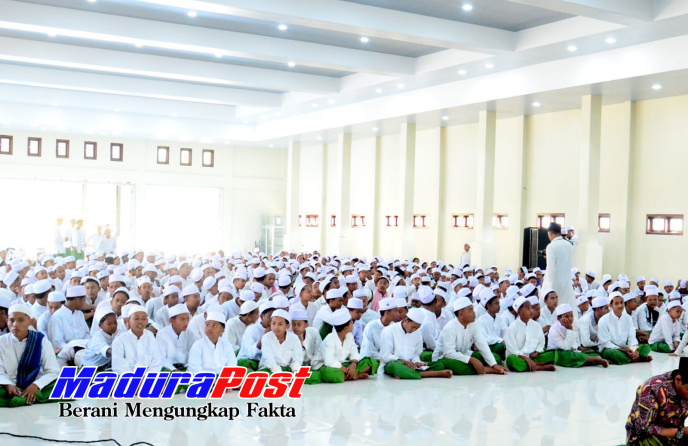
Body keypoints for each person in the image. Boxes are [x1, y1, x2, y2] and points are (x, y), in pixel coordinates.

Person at [0, 304, 61, 407]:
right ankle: (25, 396)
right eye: (11, 320)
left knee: (64, 386)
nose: (15, 324)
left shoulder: (42, 341)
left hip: (38, 384)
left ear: (29, 322)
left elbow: (53, 371)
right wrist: (8, 386)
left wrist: (36, 385)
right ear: (7, 322)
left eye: (21, 320)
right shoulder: (1, 342)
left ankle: (31, 394)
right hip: (8, 386)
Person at [433, 297, 507, 375]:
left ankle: (485, 367)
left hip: (464, 353)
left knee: (495, 358)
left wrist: (494, 364)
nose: (474, 313)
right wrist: (471, 360)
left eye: (473, 309)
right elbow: (449, 353)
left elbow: (482, 344)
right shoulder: (450, 327)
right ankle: (487, 369)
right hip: (443, 357)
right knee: (459, 367)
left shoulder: (473, 324)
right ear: (461, 314)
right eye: (470, 310)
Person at [625, 357, 688, 445]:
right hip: (647, 438)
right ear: (678, 380)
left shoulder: (684, 390)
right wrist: (680, 432)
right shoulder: (652, 388)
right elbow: (642, 429)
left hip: (676, 435)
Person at [379, 307, 452, 379]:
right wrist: (403, 361)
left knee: (439, 365)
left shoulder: (418, 333)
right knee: (397, 367)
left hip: (411, 365)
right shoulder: (388, 330)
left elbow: (416, 354)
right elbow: (385, 355)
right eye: (413, 327)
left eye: (417, 328)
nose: (414, 330)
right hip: (393, 363)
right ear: (406, 320)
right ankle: (429, 374)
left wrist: (417, 362)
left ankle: (408, 373)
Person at [314, 308, 377, 383]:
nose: (353, 324)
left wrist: (353, 364)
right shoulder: (329, 339)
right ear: (346, 328)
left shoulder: (349, 336)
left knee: (371, 361)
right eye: (351, 323)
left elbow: (354, 353)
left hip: (343, 363)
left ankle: (348, 376)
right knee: (330, 374)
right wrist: (347, 370)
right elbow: (329, 362)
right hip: (325, 365)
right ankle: (356, 376)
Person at [597, 291, 652, 365]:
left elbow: (632, 337)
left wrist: (634, 349)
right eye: (616, 303)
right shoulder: (604, 320)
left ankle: (629, 358)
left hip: (625, 346)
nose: (620, 305)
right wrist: (623, 350)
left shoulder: (628, 318)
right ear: (610, 305)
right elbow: (606, 343)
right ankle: (636, 359)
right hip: (610, 348)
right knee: (614, 354)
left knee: (646, 347)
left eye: (621, 302)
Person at [504, 296, 556, 372]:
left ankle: (530, 365)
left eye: (531, 308)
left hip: (533, 356)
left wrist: (537, 352)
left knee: (551, 353)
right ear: (519, 312)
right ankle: (538, 367)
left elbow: (541, 342)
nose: (531, 311)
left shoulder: (537, 326)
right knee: (511, 360)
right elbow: (512, 349)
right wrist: (525, 358)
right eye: (527, 308)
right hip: (518, 357)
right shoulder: (512, 328)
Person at [547, 304, 608, 368]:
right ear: (559, 319)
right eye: (566, 316)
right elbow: (566, 347)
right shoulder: (554, 330)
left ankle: (586, 359)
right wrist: (570, 329)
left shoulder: (575, 321)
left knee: (591, 352)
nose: (570, 318)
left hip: (572, 349)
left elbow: (576, 337)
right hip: (558, 352)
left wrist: (578, 346)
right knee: (568, 355)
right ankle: (595, 359)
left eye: (571, 315)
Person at [111, 305, 162, 374]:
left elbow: (156, 360)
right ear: (129, 321)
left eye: (143, 319)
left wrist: (148, 375)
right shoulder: (120, 340)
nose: (140, 322)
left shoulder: (150, 336)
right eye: (136, 318)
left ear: (147, 321)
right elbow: (118, 365)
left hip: (148, 376)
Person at [258, 309, 303, 374]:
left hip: (288, 369)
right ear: (270, 324)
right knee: (264, 377)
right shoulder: (266, 337)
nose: (276, 327)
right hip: (269, 369)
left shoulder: (294, 338)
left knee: (312, 375)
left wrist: (295, 371)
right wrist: (279, 373)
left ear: (287, 326)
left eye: (280, 324)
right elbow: (268, 359)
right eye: (273, 323)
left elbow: (297, 359)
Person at [47, 285, 90, 353]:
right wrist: (74, 349)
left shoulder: (80, 314)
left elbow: (87, 334)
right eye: (83, 302)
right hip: (65, 354)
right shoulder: (57, 316)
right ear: (78, 301)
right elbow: (57, 343)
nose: (83, 305)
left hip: (84, 350)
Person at [542, 223, 575, 309]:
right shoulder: (569, 245)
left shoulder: (551, 246)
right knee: (566, 309)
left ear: (550, 233)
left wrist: (548, 288)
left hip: (554, 284)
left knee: (552, 309)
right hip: (566, 284)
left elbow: (551, 269)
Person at [156, 304, 193, 371]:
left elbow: (194, 353)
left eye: (187, 319)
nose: (186, 323)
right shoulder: (162, 334)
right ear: (172, 321)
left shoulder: (190, 333)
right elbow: (161, 357)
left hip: (186, 367)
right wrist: (174, 370)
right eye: (182, 320)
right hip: (167, 368)